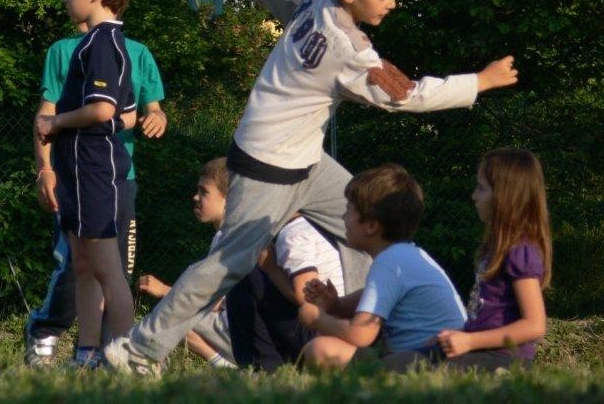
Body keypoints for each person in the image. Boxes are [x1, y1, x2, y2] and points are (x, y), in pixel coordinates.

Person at [104, 0, 518, 375]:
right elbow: (406, 95)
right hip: (268, 164)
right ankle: (137, 350)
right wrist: (479, 81)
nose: (392, 3)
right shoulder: (349, 51)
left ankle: (362, 334)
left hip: (304, 159)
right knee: (228, 264)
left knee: (371, 217)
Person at [24, 20, 166, 367]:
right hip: (75, 175)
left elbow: (144, 110)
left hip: (117, 177)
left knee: (116, 270)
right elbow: (47, 115)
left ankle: (109, 353)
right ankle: (48, 330)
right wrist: (46, 169)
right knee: (76, 265)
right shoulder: (63, 50)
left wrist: (157, 117)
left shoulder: (132, 50)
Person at [34, 0, 138, 369]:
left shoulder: (102, 44)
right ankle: (87, 354)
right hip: (74, 172)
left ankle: (133, 356)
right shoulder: (91, 44)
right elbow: (128, 112)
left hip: (97, 172)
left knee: (108, 268)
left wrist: (54, 122)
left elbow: (105, 111)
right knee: (82, 266)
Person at [301, 164, 467, 370]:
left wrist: (317, 319)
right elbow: (371, 297)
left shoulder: (389, 262)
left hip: (431, 362)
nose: (343, 217)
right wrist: (335, 304)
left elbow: (360, 334)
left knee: (320, 349)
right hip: (434, 358)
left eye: (348, 210)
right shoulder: (404, 256)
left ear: (371, 225)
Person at [433, 148, 551, 371]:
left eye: (481, 188)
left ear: (504, 196)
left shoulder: (519, 252)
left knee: (401, 371)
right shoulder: (496, 248)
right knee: (400, 361)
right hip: (480, 353)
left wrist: (469, 341)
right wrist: (459, 336)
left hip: (502, 361)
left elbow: (535, 325)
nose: (474, 196)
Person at [138, 158, 237, 369]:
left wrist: (164, 290)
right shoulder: (230, 235)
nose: (196, 197)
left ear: (229, 199)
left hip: (240, 333)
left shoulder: (229, 239)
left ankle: (146, 364)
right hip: (238, 329)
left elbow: (213, 301)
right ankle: (226, 365)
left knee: (169, 313)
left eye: (204, 192)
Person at [226, 212, 345, 372]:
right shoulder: (322, 225)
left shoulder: (293, 232)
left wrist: (270, 267)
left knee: (247, 272)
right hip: (339, 326)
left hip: (320, 334)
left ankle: (263, 367)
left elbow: (304, 296)